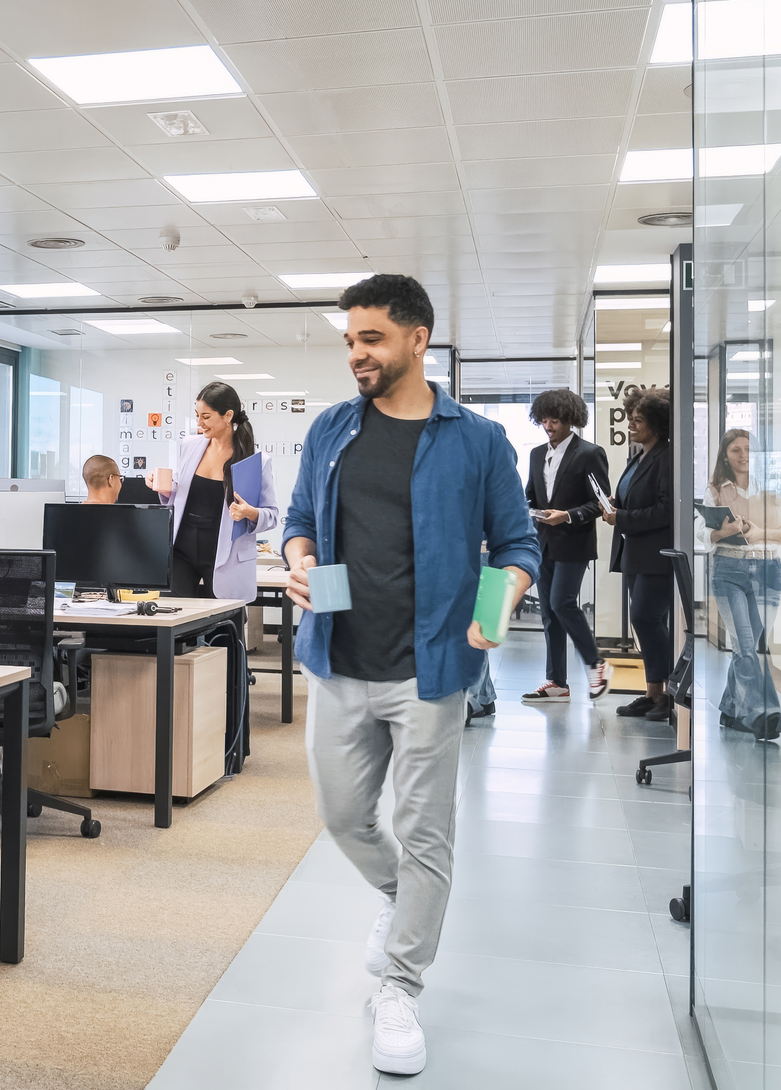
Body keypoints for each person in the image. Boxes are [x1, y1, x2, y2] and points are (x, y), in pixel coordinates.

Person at [280, 274, 538, 1078]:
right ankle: (398, 900)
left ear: (416, 339)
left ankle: (400, 984)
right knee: (343, 814)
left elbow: (518, 545)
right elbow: (297, 524)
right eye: (350, 339)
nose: (355, 353)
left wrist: (496, 608)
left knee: (428, 833)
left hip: (431, 669)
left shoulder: (477, 439)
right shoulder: (330, 429)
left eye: (371, 339)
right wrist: (298, 560)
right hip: (339, 655)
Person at [521, 387, 611, 702]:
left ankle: (595, 663)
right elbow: (531, 494)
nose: (549, 426)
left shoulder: (590, 453)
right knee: (549, 612)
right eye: (544, 420)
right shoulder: (535, 454)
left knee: (562, 603)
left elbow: (600, 504)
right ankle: (557, 682)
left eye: (556, 420)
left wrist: (568, 516)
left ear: (570, 420)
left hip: (574, 542)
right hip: (542, 542)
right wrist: (529, 511)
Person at [153, 382, 278, 600]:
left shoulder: (255, 460)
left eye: (206, 416)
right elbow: (180, 494)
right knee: (173, 617)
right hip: (182, 550)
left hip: (225, 556)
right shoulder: (190, 445)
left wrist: (250, 512)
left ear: (228, 416)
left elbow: (272, 515)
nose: (199, 423)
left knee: (223, 626)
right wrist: (164, 487)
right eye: (197, 415)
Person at [710, 427, 781, 739]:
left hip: (768, 570)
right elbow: (699, 534)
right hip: (728, 568)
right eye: (736, 450)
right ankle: (764, 711)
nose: (743, 455)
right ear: (725, 455)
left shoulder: (776, 488)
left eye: (748, 449)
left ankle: (730, 708)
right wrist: (722, 531)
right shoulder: (715, 490)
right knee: (745, 645)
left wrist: (761, 533)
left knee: (753, 645)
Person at [603, 387, 675, 721]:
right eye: (631, 418)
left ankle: (666, 694)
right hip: (635, 552)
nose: (631, 424)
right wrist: (617, 507)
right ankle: (652, 693)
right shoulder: (640, 454)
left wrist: (623, 518)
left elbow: (665, 511)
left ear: (657, 423)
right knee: (644, 622)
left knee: (645, 618)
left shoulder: (667, 458)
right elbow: (635, 498)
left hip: (655, 555)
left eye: (638, 420)